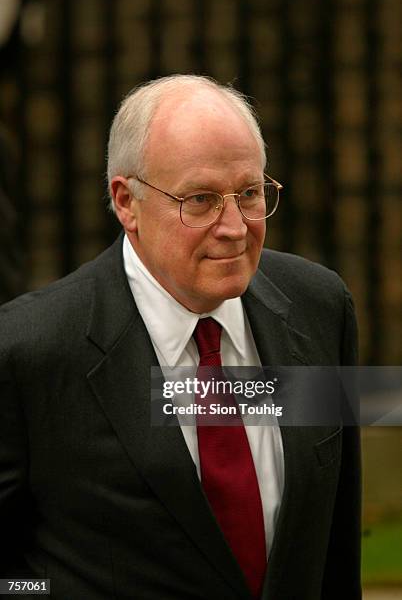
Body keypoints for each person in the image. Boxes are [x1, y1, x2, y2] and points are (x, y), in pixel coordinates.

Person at [0, 74, 361, 599]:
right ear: (127, 202)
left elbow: (335, 547)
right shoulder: (29, 351)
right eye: (201, 200)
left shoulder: (319, 309)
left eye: (250, 193)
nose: (235, 226)